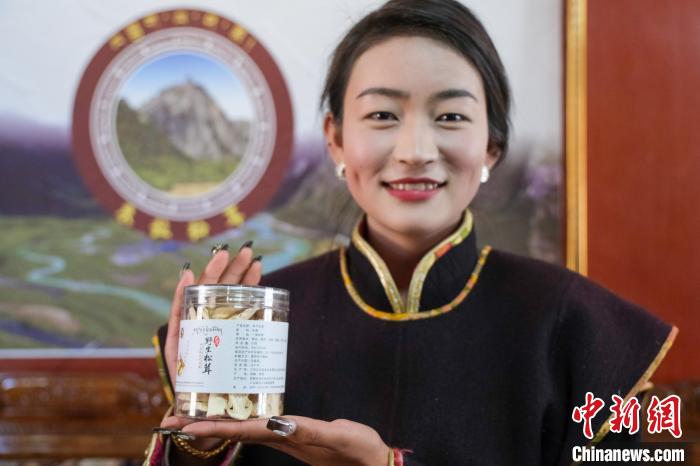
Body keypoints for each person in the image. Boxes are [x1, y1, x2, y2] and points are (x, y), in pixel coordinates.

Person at [144, 0, 677, 464]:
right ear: (335, 138)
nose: (415, 151)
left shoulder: (584, 328)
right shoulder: (247, 330)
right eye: (382, 114)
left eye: (450, 117)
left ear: (491, 146)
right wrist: (200, 445)